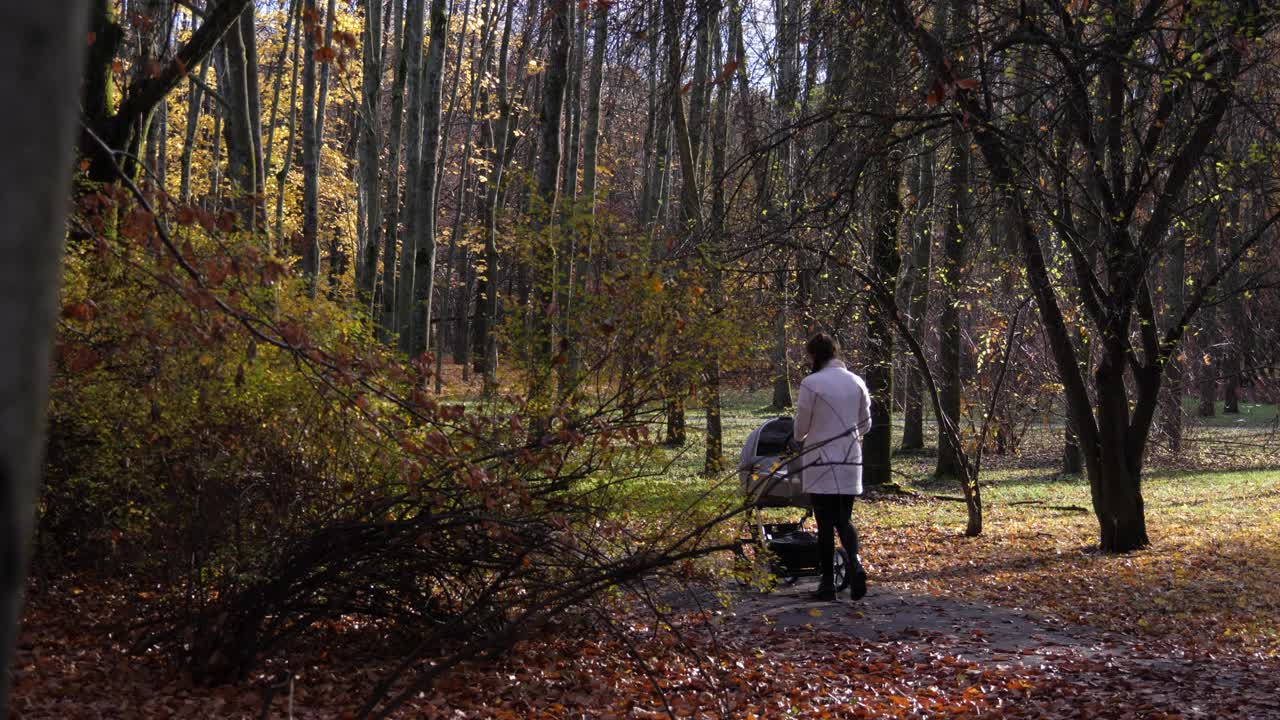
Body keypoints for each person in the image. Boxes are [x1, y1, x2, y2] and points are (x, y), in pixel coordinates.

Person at [793, 332, 872, 601]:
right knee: (843, 518)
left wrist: (802, 437)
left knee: (825, 524)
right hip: (850, 459)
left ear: (814, 355)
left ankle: (827, 584)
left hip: (820, 461)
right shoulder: (856, 381)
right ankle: (856, 561)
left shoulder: (811, 383)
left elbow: (801, 429)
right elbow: (866, 425)